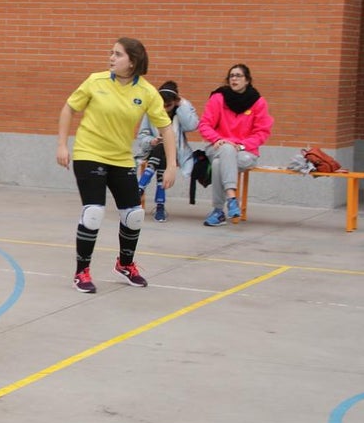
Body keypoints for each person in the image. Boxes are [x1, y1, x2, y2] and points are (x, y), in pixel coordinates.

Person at [56, 38, 175, 294]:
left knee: (134, 215)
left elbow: (166, 126)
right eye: (111, 53)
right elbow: (68, 109)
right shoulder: (95, 81)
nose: (111, 58)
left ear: (132, 62)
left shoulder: (146, 92)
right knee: (94, 212)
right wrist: (62, 145)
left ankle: (125, 264)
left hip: (121, 158)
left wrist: (173, 164)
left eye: (117, 54)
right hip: (89, 153)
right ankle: (82, 271)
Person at [197, 63, 274, 227]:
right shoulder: (218, 98)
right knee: (225, 149)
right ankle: (232, 198)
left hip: (245, 152)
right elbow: (204, 125)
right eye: (231, 76)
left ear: (247, 80)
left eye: (238, 76)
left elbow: (262, 132)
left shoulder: (258, 102)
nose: (234, 79)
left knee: (219, 164)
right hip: (218, 146)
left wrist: (241, 146)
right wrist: (217, 139)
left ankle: (218, 211)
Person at [133, 80, 199, 223]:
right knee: (160, 148)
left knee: (164, 149)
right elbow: (142, 136)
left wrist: (182, 105)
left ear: (175, 102)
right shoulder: (151, 112)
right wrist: (151, 140)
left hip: (176, 154)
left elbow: (193, 125)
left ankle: (141, 186)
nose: (165, 108)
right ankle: (160, 205)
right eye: (162, 105)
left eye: (168, 105)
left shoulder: (180, 112)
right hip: (154, 152)